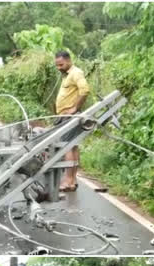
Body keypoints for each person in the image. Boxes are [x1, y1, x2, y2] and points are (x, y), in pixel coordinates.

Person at [54, 50, 90, 192]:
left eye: (61, 64)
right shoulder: (67, 75)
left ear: (68, 60)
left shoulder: (76, 73)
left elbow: (85, 90)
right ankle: (73, 180)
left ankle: (68, 180)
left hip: (69, 117)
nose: (59, 68)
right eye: (57, 65)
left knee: (67, 147)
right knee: (73, 147)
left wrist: (75, 108)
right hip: (65, 116)